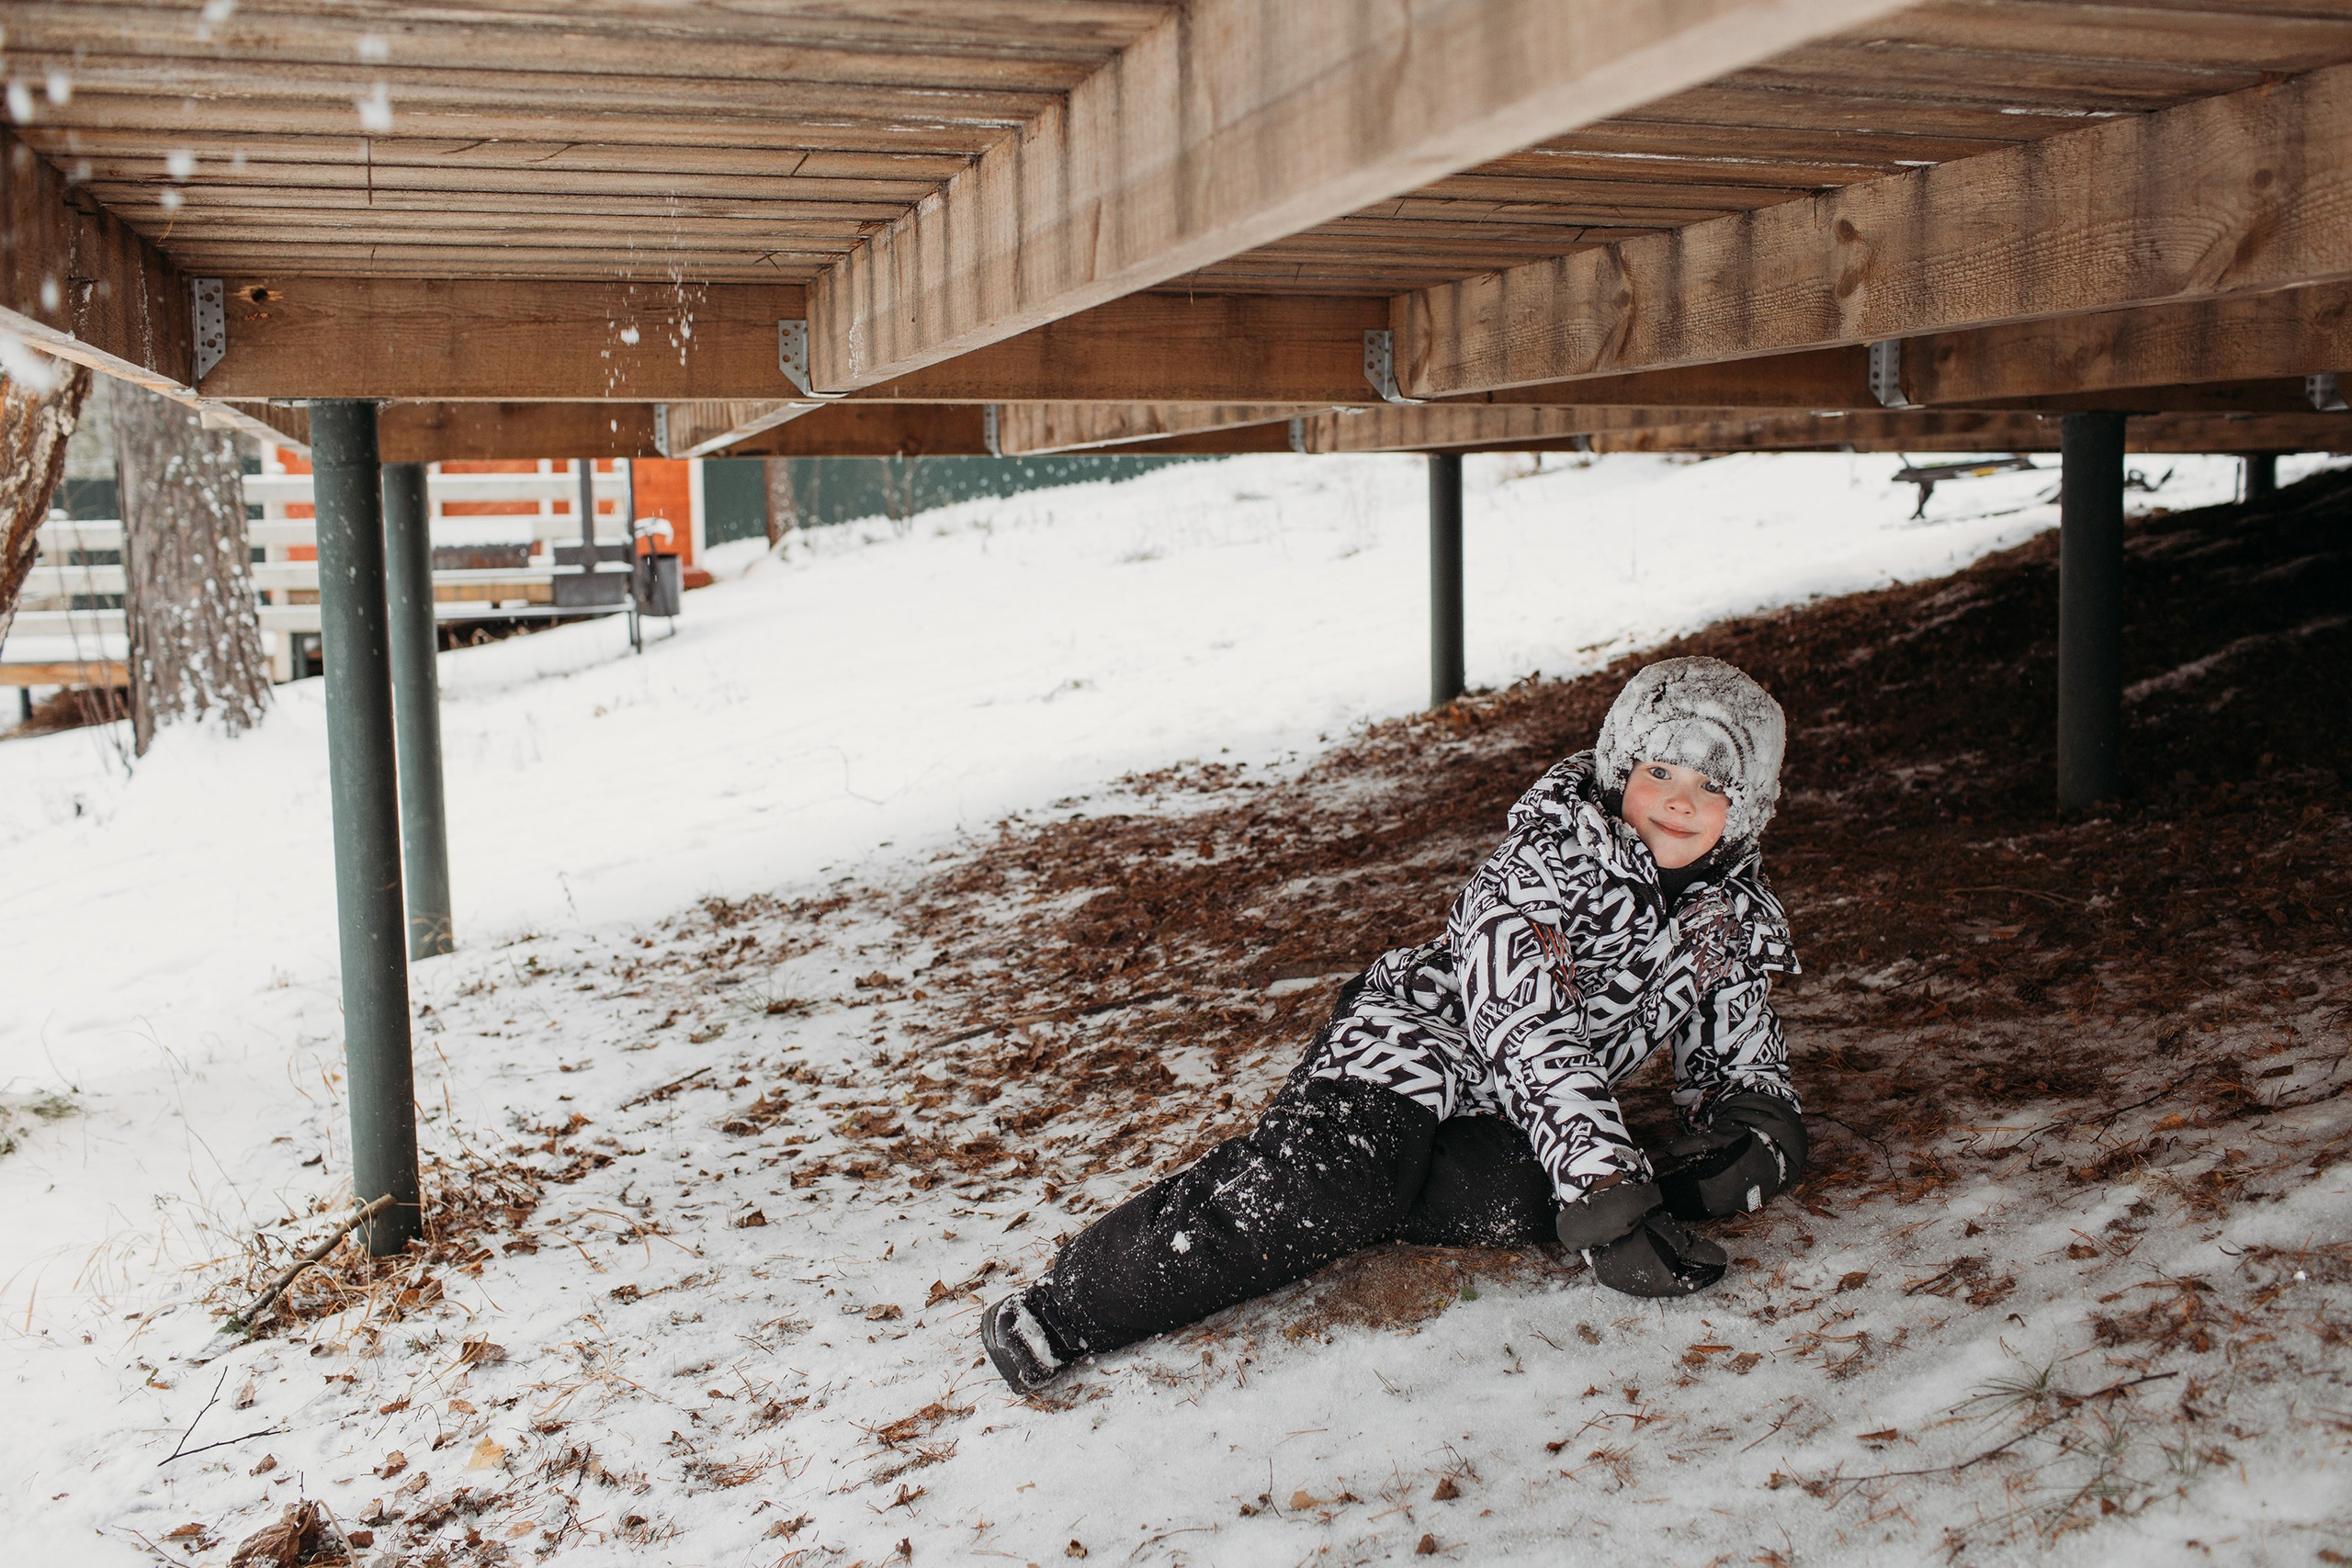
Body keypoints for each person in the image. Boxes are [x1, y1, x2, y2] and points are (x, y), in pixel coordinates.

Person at [979, 657, 1806, 1394]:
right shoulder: (1531, 879)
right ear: (1619, 766)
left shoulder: (1722, 918)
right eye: (1660, 769)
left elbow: (1735, 1046)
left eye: (1711, 786)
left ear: (1744, 810)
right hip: (1408, 1048)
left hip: (1508, 1111)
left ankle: (1437, 1185)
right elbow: (1534, 1036)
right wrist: (1608, 1197)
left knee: (1524, 1196)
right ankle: (1067, 1309)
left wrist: (1750, 1130)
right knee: (1332, 1185)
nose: (1677, 800)